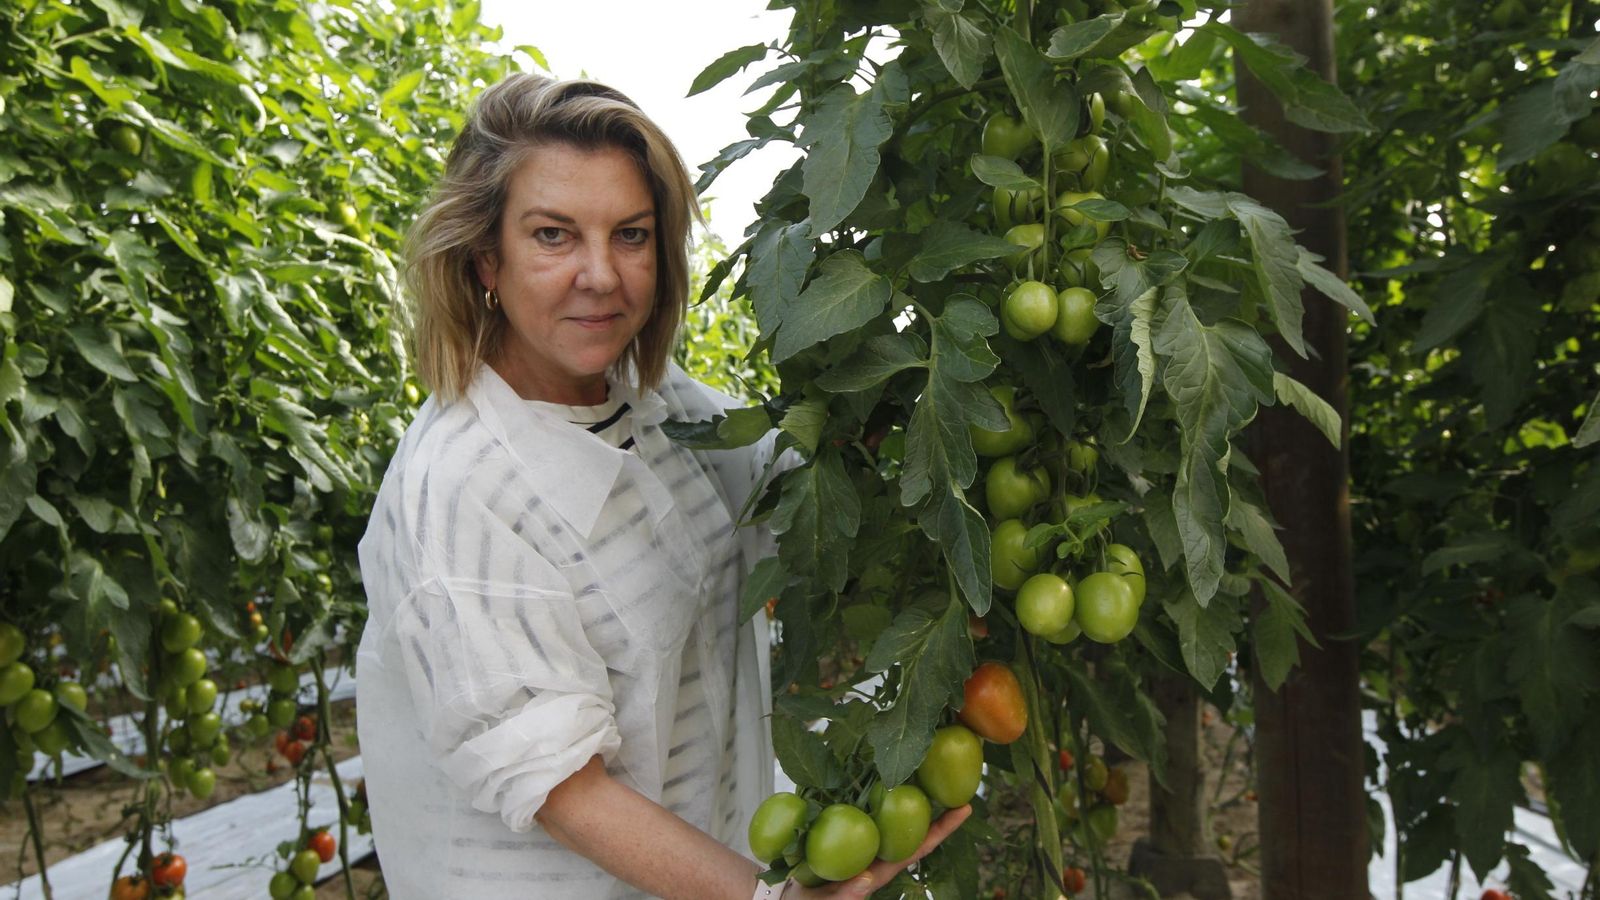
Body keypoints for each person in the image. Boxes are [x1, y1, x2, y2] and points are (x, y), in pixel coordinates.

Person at [354, 74, 969, 900]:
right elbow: (564, 788)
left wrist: (923, 389)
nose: (602, 275)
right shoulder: (463, 489)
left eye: (632, 235)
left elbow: (787, 493)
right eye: (553, 235)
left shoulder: (650, 401)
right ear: (484, 256)